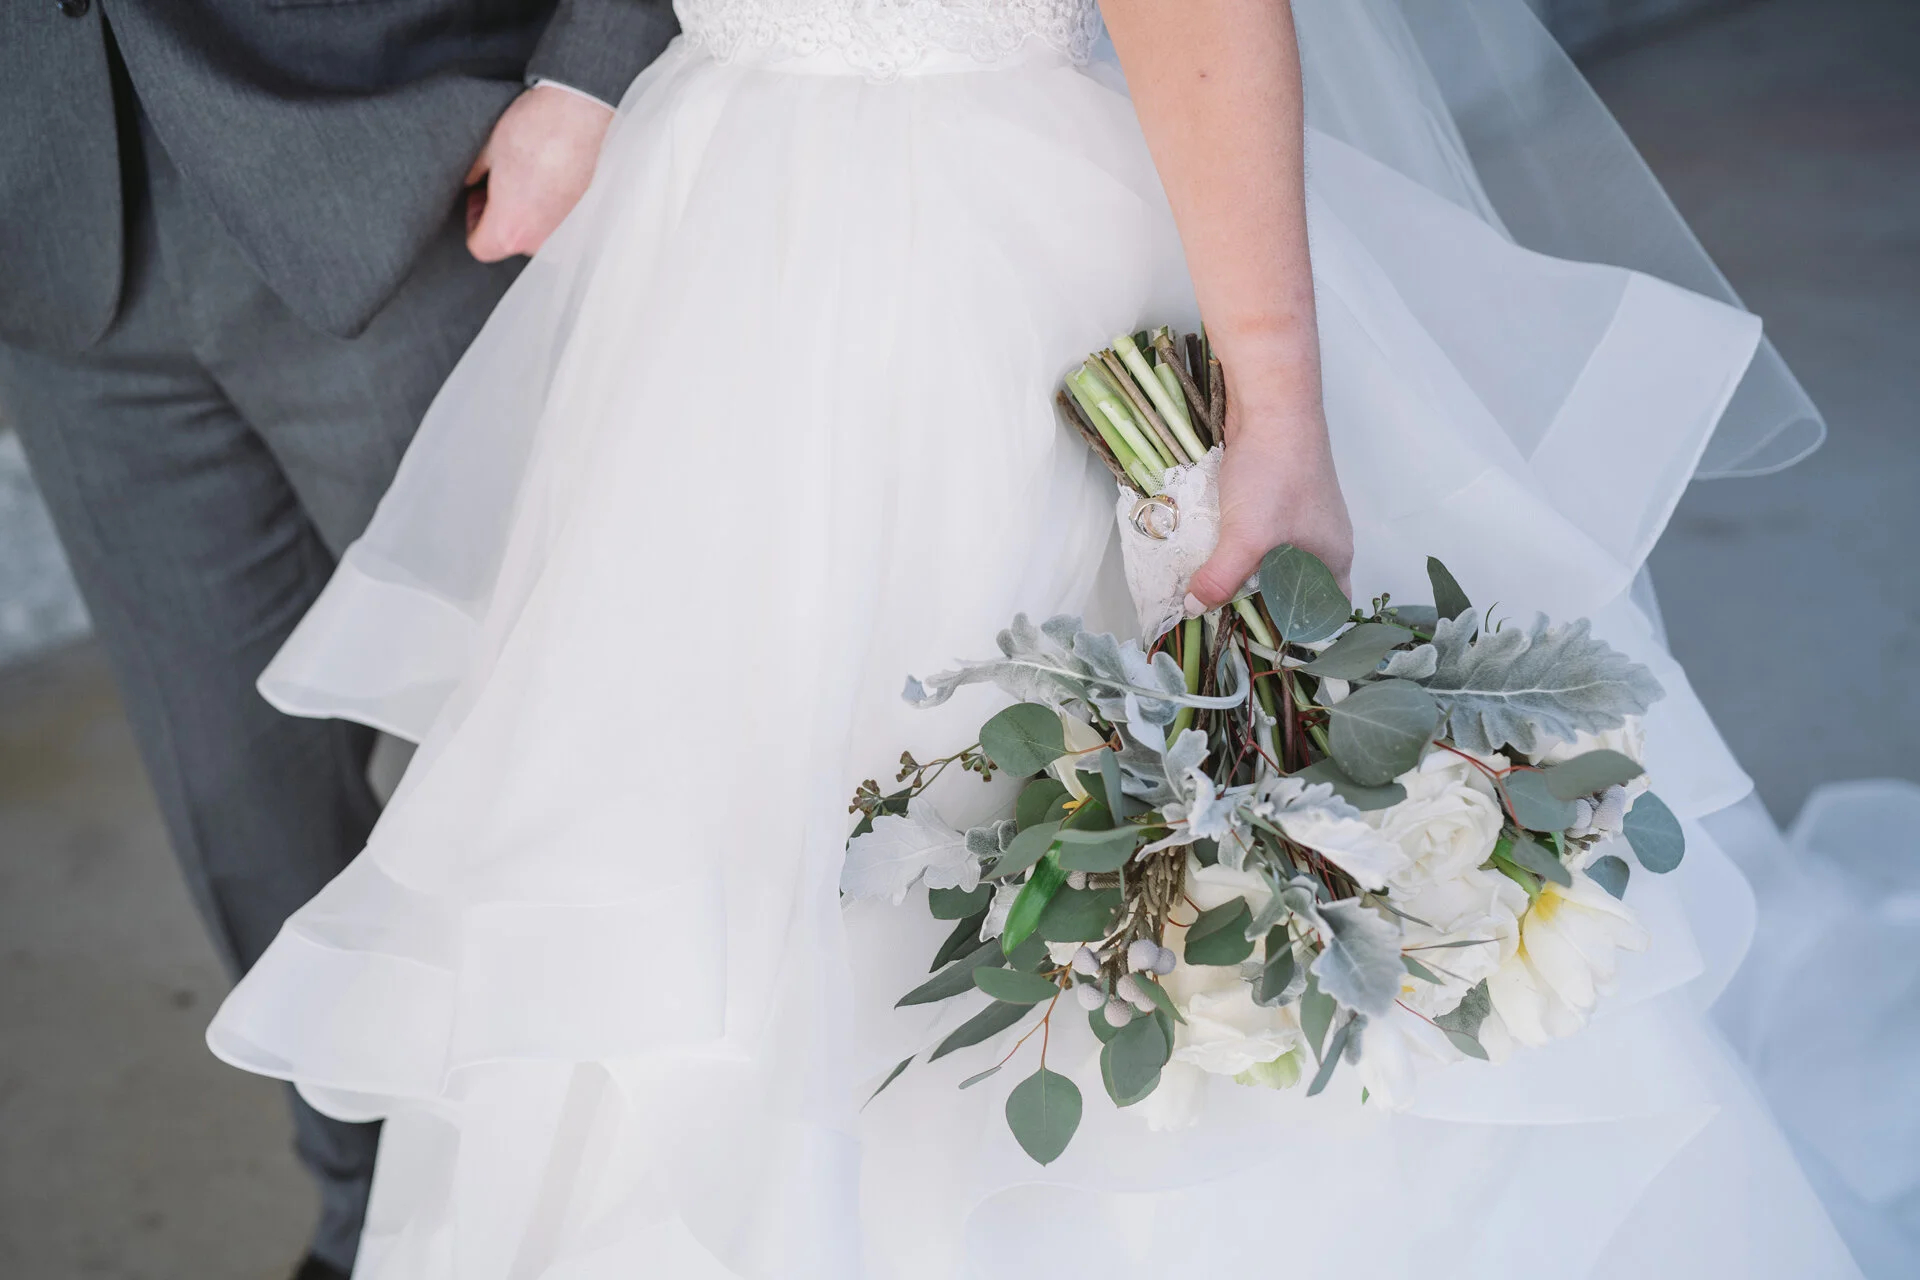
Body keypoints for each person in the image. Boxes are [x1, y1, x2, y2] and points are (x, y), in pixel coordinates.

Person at [206, 1, 1864, 1276]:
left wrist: (1274, 414)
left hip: (971, 262)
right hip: (714, 246)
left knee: (1056, 852)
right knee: (719, 880)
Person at [0, 3, 677, 1276]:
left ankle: (588, 1222)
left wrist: (592, 76)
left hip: (414, 166)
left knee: (538, 775)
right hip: (55, 230)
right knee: (238, 808)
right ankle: (371, 1219)